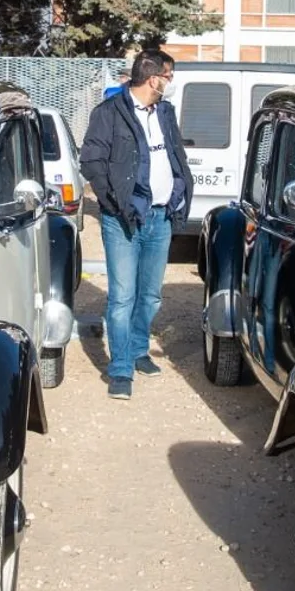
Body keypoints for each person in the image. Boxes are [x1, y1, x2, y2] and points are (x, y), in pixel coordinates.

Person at [79, 49, 192, 400]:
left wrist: (181, 189)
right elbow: (91, 161)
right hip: (123, 220)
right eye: (169, 76)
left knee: (151, 295)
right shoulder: (109, 114)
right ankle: (121, 368)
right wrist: (113, 203)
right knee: (122, 297)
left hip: (160, 217)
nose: (171, 83)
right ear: (152, 76)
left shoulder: (166, 112)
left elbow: (175, 155)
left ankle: (139, 349)